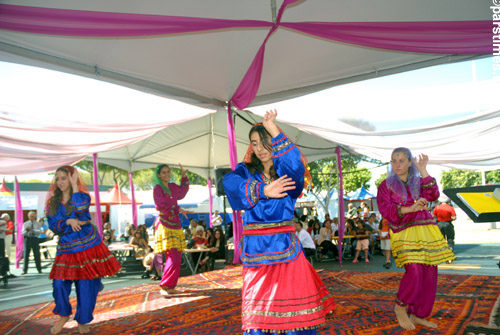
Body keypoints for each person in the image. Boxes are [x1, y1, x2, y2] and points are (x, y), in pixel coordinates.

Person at [223, 109, 335, 334]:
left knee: (293, 313)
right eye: (254, 143)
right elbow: (229, 183)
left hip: (285, 247)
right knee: (259, 313)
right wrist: (263, 189)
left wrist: (273, 127)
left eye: (265, 142)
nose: (260, 149)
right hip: (256, 251)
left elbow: (295, 167)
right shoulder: (245, 171)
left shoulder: (285, 173)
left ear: (275, 141)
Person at [377, 148, 455, 330]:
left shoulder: (418, 181)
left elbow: (433, 195)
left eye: (401, 161)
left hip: (425, 230)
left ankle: (418, 315)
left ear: (410, 162)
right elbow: (386, 210)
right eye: (394, 161)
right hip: (403, 231)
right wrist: (410, 209)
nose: (397, 165)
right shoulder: (385, 185)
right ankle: (400, 307)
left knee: (429, 272)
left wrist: (423, 170)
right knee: (415, 271)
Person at [46, 166, 121, 334]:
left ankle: (83, 319)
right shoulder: (53, 202)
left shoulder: (83, 196)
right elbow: (52, 224)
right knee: (59, 283)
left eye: (64, 178)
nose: (60, 182)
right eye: (57, 178)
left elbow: (82, 213)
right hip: (66, 246)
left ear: (73, 179)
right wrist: (67, 222)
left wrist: (74, 187)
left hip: (87, 244)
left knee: (86, 285)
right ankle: (64, 314)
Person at [152, 163, 189, 296]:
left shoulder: (173, 186)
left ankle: (171, 285)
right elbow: (161, 206)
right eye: (164, 172)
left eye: (168, 172)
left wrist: (184, 178)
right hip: (165, 223)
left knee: (177, 256)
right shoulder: (158, 188)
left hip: (175, 223)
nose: (167, 174)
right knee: (172, 256)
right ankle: (164, 285)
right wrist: (179, 210)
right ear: (159, 175)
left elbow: (182, 193)